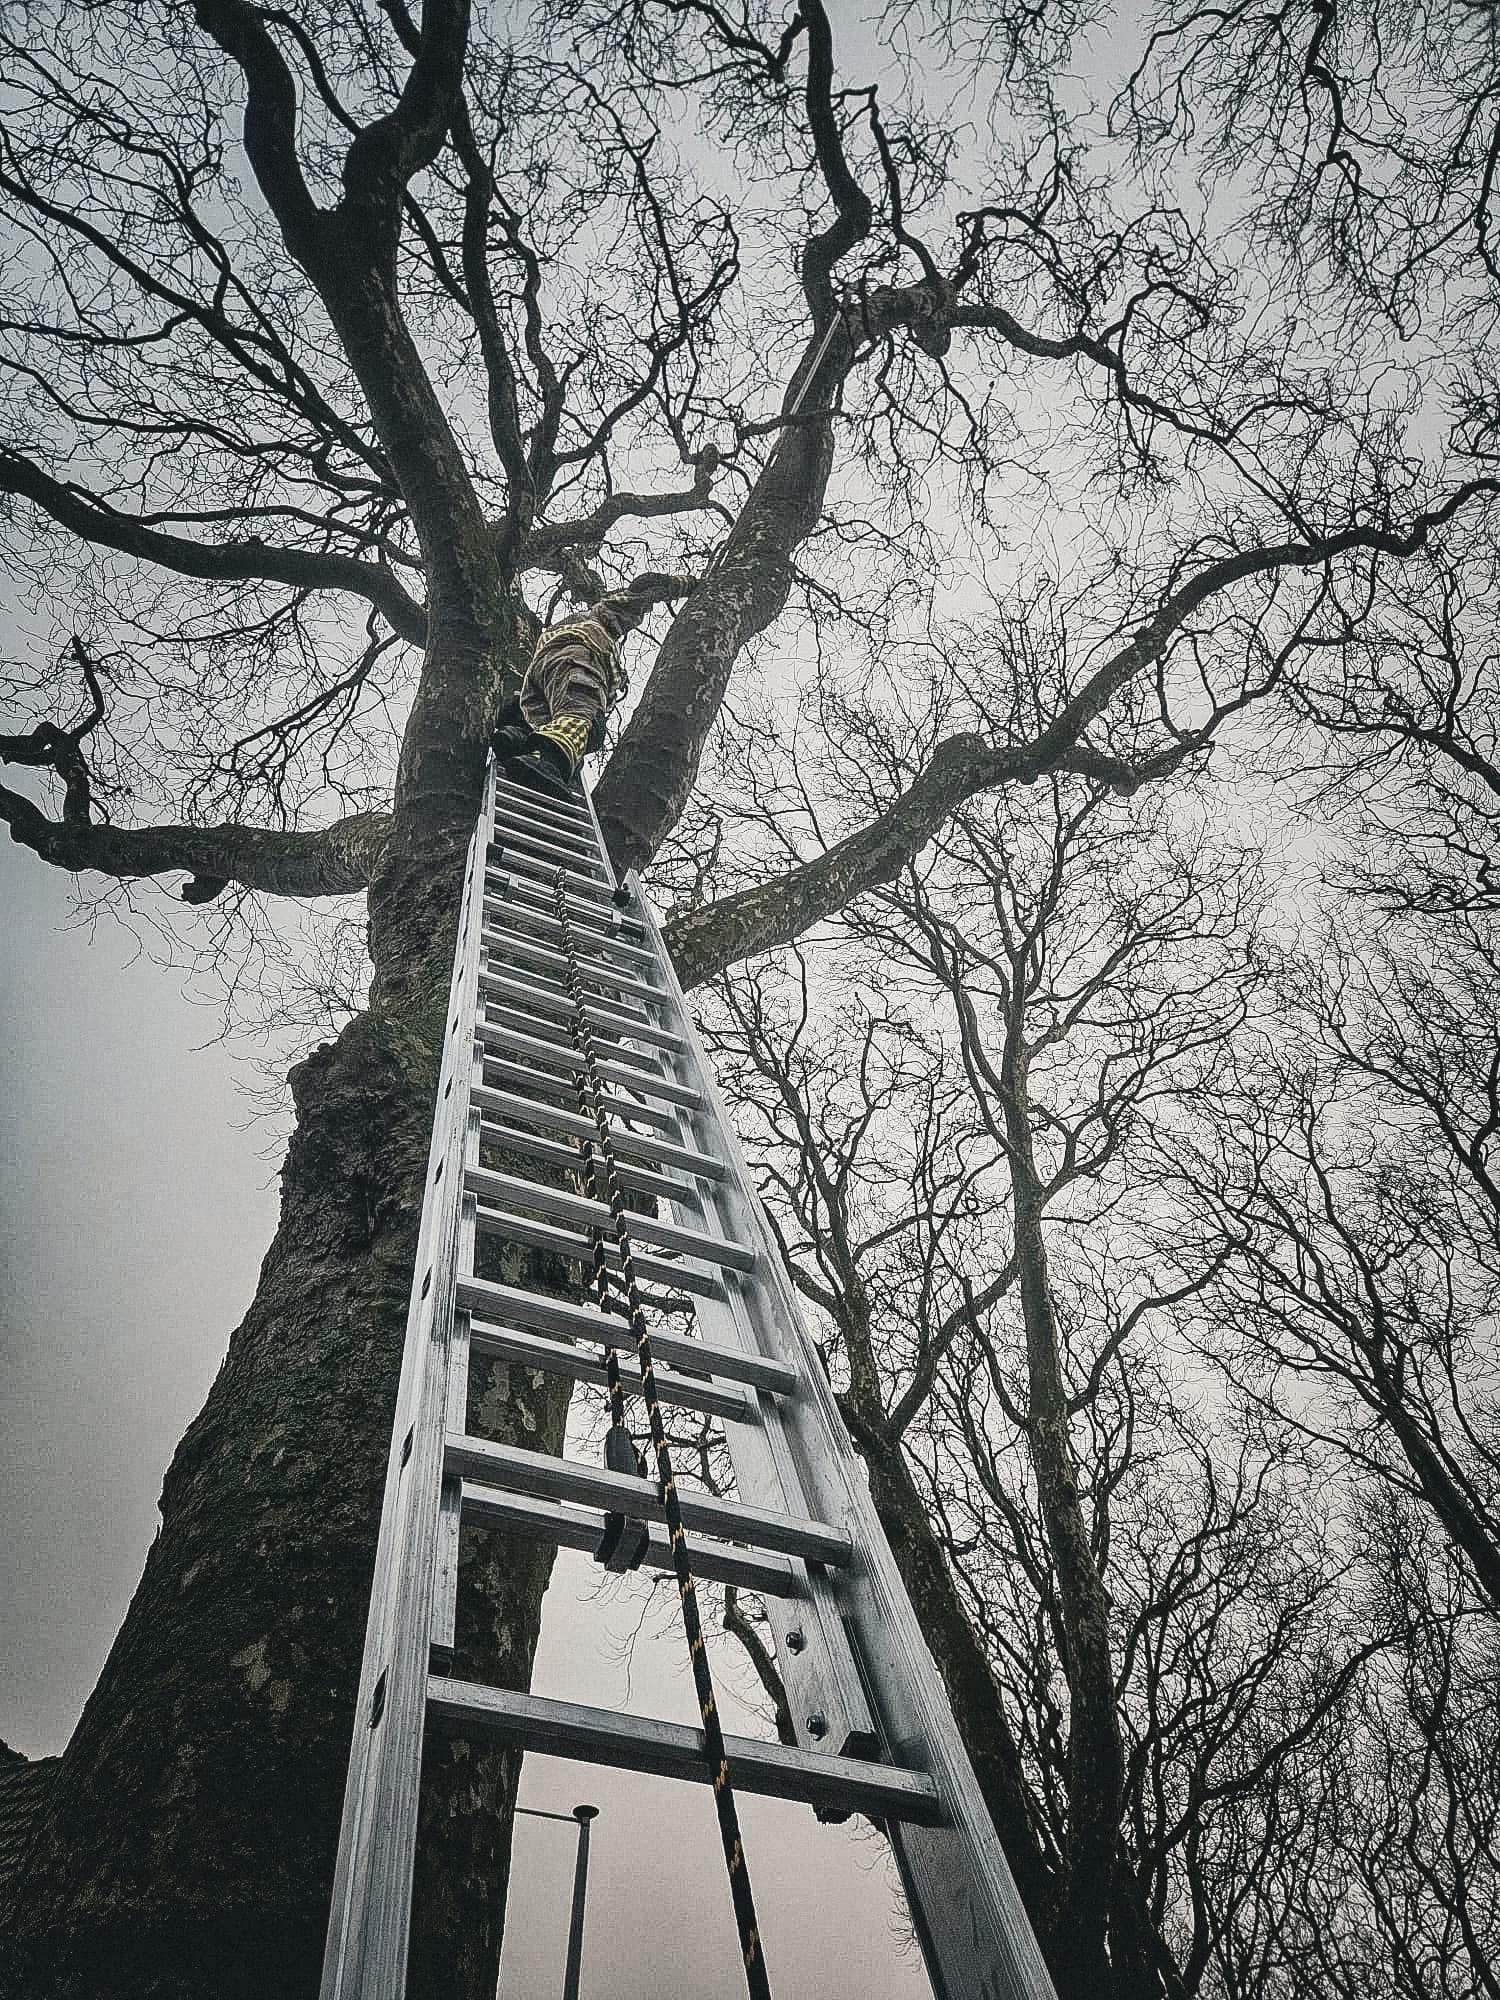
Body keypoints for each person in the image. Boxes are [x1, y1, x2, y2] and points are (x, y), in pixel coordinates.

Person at [495, 578, 670, 799]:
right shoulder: (601, 616)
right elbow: (640, 591)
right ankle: (547, 763)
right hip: (577, 661)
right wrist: (686, 585)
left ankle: (518, 739)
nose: (633, 620)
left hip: (541, 673)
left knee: (545, 721)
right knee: (579, 716)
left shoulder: (564, 628)